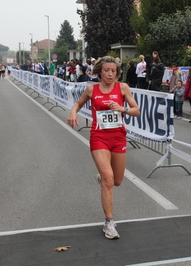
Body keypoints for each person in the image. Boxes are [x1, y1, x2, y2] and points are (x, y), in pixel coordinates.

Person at [67, 56, 140, 239]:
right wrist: (73, 111)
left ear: (117, 73)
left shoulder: (122, 88)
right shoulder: (91, 89)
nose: (110, 74)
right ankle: (109, 223)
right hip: (99, 137)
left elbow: (136, 110)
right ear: (100, 71)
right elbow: (78, 103)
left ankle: (103, 177)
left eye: (113, 71)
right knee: (109, 180)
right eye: (106, 70)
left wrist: (122, 109)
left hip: (118, 137)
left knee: (117, 181)